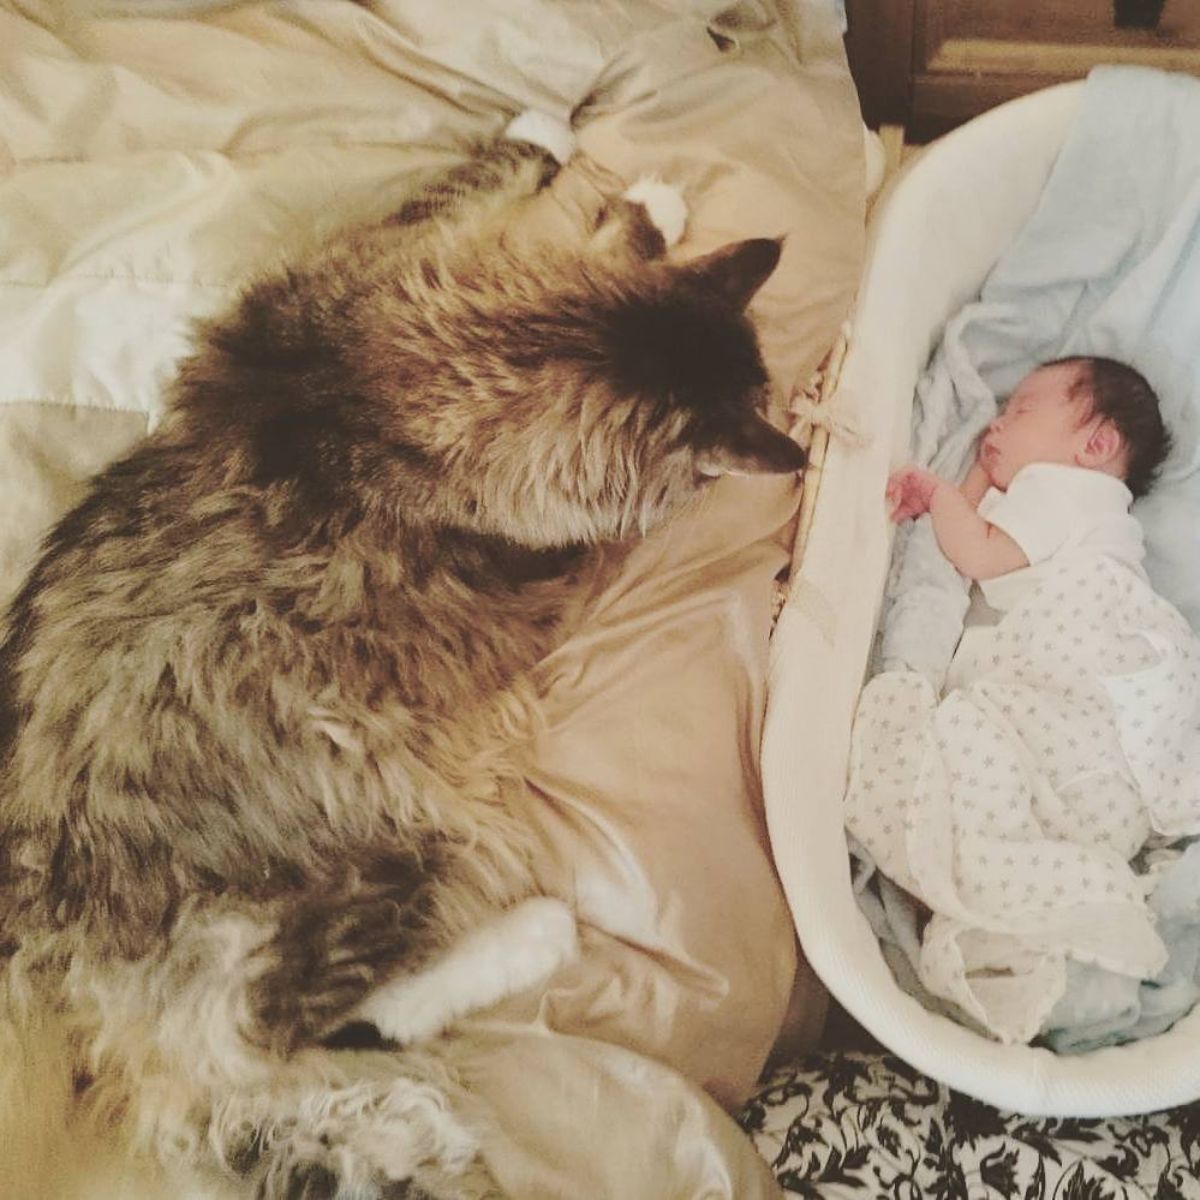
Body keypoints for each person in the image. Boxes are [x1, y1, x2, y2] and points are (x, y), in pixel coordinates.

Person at [886, 356, 1171, 599]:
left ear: (1095, 446)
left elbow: (978, 554)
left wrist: (936, 493)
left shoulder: (1065, 490)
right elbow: (970, 527)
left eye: (1021, 411)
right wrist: (981, 472)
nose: (995, 424)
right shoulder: (1091, 510)